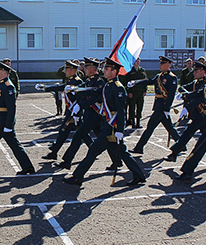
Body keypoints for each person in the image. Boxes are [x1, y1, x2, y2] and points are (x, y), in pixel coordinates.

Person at [63, 57, 146, 186]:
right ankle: (139, 175)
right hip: (106, 124)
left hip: (111, 127)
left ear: (114, 71)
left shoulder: (118, 88)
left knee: (93, 150)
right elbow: (94, 91)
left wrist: (120, 131)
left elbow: (121, 111)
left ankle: (77, 176)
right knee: (122, 152)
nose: (104, 70)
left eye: (106, 69)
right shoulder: (108, 85)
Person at [56, 57, 113, 170]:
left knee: (78, 136)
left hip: (95, 115)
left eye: (86, 67)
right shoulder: (88, 80)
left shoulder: (99, 81)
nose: (84, 69)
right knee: (107, 140)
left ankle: (67, 161)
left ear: (93, 69)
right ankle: (117, 161)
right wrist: (74, 89)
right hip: (90, 115)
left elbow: (97, 97)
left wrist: (81, 105)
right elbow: (82, 90)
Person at [164, 61, 206, 163]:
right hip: (197, 115)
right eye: (194, 70)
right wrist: (186, 94)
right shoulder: (195, 83)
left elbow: (201, 98)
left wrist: (188, 106)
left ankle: (174, 154)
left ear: (203, 72)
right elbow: (182, 87)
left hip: (204, 115)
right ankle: (174, 154)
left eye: (197, 70)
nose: (194, 73)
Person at [37, 60, 89, 161]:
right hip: (71, 112)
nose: (65, 71)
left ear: (73, 70)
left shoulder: (78, 82)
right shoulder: (70, 80)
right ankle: (54, 152)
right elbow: (60, 87)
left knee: (64, 131)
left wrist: (78, 112)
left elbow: (81, 97)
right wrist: (45, 87)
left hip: (75, 113)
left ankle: (54, 151)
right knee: (80, 133)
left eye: (66, 69)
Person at [129, 56, 180, 154]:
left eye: (162, 63)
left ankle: (139, 147)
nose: (160, 65)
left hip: (162, 107)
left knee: (150, 127)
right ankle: (181, 144)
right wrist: (135, 82)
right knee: (169, 127)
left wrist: (167, 108)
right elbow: (148, 81)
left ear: (168, 65)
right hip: (158, 105)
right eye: (160, 63)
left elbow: (171, 95)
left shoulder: (172, 77)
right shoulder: (159, 76)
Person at [124, 57, 147, 128]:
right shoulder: (130, 70)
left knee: (139, 108)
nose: (137, 62)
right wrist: (129, 92)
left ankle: (138, 123)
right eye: (136, 61)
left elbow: (145, 81)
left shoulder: (142, 70)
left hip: (140, 92)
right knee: (132, 108)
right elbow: (127, 82)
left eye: (138, 61)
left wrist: (145, 90)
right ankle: (132, 122)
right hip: (133, 93)